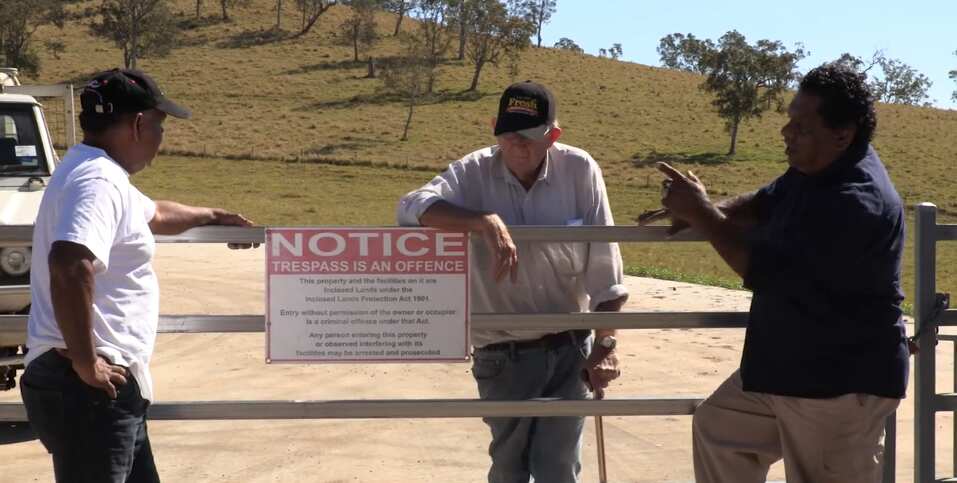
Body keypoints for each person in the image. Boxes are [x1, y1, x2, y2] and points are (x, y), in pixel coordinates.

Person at [649, 64, 908, 482]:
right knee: (719, 430)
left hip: (837, 384)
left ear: (842, 134)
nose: (786, 132)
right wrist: (706, 210)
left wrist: (702, 213)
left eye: (801, 127)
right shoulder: (815, 170)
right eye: (790, 120)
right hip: (786, 372)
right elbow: (765, 201)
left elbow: (764, 269)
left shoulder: (855, 201)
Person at [19, 68, 257, 483]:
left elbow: (156, 214)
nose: (161, 139)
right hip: (90, 387)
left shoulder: (91, 169)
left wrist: (215, 216)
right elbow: (69, 262)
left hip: (97, 385)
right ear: (138, 124)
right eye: (160, 126)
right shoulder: (98, 182)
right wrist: (86, 363)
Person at [397, 81, 628, 483]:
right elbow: (411, 206)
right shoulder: (472, 171)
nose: (517, 144)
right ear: (494, 128)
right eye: (508, 134)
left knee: (558, 467)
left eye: (529, 135)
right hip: (501, 353)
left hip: (569, 349)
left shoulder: (580, 170)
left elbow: (606, 270)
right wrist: (481, 220)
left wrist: (605, 344)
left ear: (553, 135)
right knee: (509, 468)